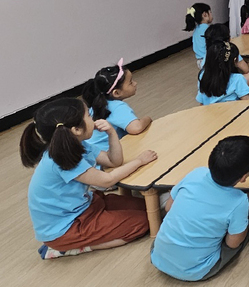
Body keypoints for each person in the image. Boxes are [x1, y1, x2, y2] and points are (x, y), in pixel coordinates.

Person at [20, 98, 157, 259]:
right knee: (144, 222)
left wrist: (111, 133)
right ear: (77, 129)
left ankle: (79, 240)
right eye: (88, 116)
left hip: (85, 207)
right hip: (66, 228)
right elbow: (107, 180)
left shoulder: (77, 144)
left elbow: (114, 161)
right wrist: (139, 161)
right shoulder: (62, 158)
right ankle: (68, 248)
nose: (92, 118)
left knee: (145, 207)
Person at [151, 136, 249, 281]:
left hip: (158, 256)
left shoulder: (196, 173)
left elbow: (169, 207)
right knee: (245, 230)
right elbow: (232, 243)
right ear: (243, 177)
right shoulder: (239, 200)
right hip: (196, 270)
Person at [82, 58, 152, 152]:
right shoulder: (117, 107)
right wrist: (147, 118)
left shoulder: (96, 105)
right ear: (116, 93)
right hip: (105, 156)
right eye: (130, 82)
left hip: (92, 153)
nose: (135, 83)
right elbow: (136, 128)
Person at [203, 23, 249, 87]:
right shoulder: (230, 51)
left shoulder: (207, 54)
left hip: (209, 83)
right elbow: (246, 70)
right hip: (225, 84)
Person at [185, 2, 212, 68]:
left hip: (200, 61)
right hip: (208, 60)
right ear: (205, 14)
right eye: (210, 12)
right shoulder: (207, 29)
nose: (211, 14)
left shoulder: (196, 30)